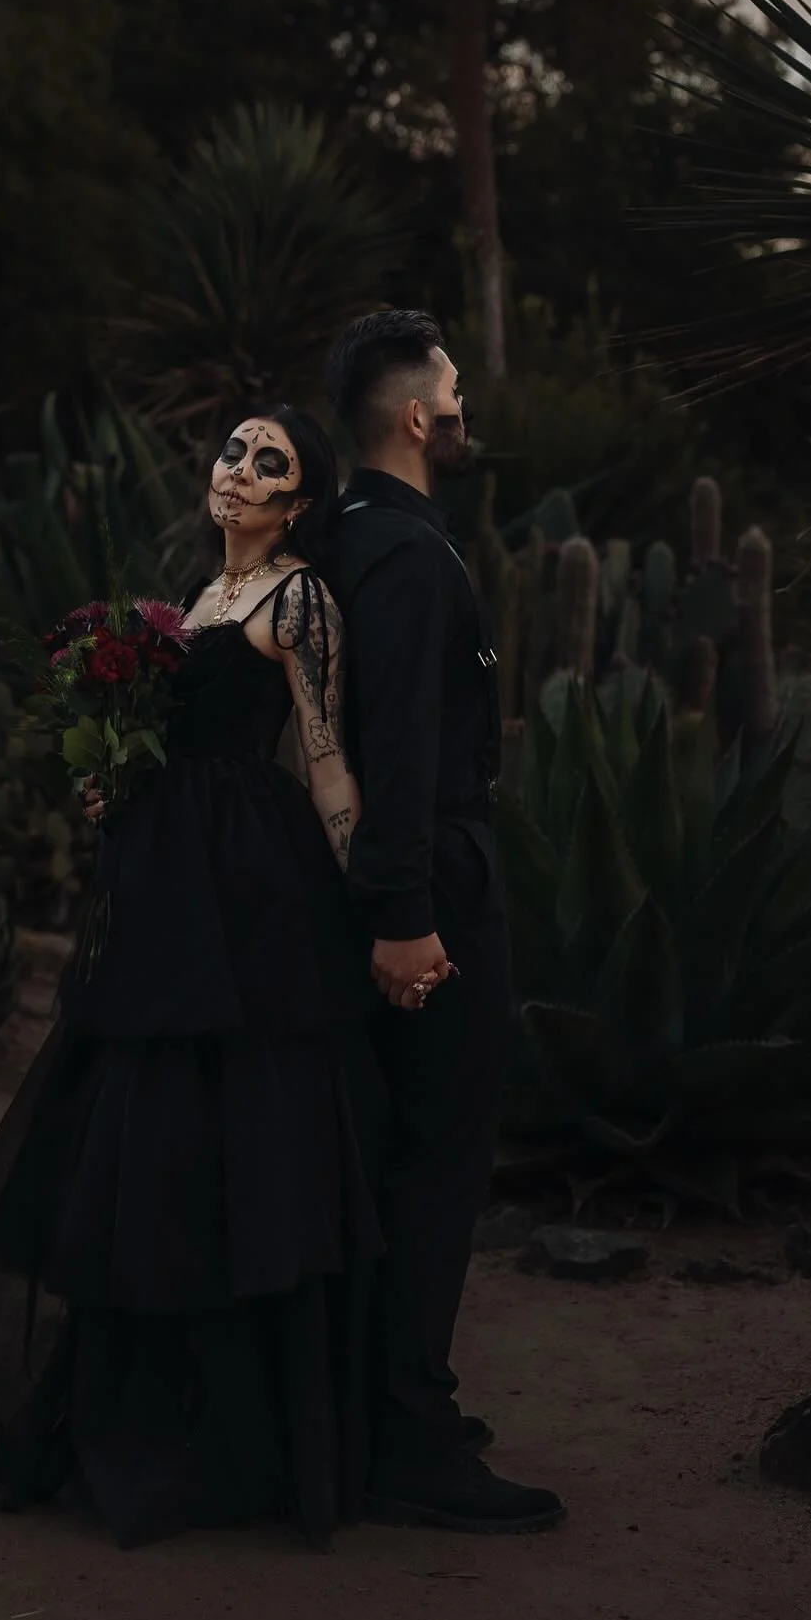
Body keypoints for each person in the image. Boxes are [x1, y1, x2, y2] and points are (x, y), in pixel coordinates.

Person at [0, 406, 409, 1549]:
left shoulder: (299, 598)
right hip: (161, 885)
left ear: (299, 504)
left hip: (246, 886)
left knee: (240, 1126)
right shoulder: (191, 602)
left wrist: (389, 910)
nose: (238, 471)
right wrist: (110, 785)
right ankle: (147, 1422)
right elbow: (163, 738)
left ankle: (237, 1440)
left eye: (269, 462)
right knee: (148, 1136)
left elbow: (326, 759)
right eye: (234, 451)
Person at [323, 310, 568, 1533]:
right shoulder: (411, 555)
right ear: (418, 417)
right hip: (428, 893)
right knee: (437, 1159)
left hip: (369, 884)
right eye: (456, 391)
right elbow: (402, 749)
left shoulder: (343, 534)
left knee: (383, 1156)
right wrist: (407, 916)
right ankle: (409, 1436)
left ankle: (376, 1409)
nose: (467, 408)